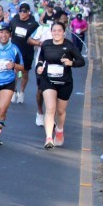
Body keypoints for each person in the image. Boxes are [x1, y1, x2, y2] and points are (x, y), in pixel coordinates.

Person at [36, 20, 85, 148]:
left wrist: (71, 63)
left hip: (64, 82)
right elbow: (41, 58)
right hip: (48, 80)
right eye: (54, 30)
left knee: (60, 111)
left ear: (64, 32)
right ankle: (48, 138)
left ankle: (59, 130)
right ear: (51, 32)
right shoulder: (46, 44)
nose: (56, 33)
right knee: (50, 108)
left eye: (59, 30)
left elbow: (81, 61)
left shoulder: (69, 45)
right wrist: (39, 66)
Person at [8, 1, 39, 104]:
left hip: (27, 51)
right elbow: (9, 33)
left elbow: (36, 37)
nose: (22, 13)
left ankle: (21, 92)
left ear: (28, 12)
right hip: (15, 51)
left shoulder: (33, 24)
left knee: (25, 73)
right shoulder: (14, 21)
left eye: (24, 11)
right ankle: (14, 91)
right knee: (14, 71)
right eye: (20, 11)